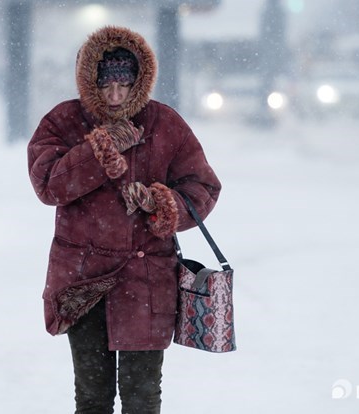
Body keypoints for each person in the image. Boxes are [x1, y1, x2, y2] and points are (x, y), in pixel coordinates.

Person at [27, 26, 222, 413]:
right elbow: (49, 186)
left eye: (124, 86)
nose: (115, 97)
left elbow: (203, 187)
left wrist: (161, 203)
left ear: (140, 81)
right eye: (106, 86)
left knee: (142, 399)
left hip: (146, 282)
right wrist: (101, 149)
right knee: (93, 398)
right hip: (83, 284)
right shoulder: (63, 122)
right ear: (90, 81)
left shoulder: (165, 124)